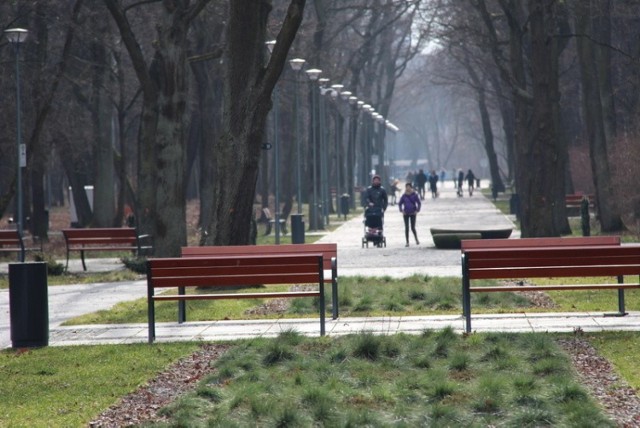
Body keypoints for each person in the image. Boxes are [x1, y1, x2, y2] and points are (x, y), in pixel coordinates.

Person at [398, 182, 421, 247]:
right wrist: (401, 210)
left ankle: (416, 239)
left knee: (413, 227)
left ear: (411, 187)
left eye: (409, 187)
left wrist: (417, 210)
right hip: (406, 213)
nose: (408, 188)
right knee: (406, 228)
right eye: (407, 187)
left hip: (413, 213)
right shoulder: (404, 195)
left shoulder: (414, 195)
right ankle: (407, 242)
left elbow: (419, 203)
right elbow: (400, 203)